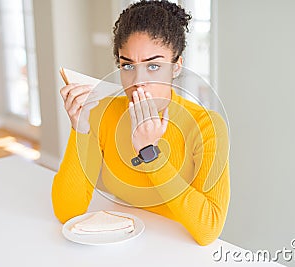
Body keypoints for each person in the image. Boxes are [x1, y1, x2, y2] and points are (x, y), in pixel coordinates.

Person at [52, 0, 230, 246]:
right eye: (128, 66)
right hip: (121, 248)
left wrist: (150, 154)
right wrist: (80, 129)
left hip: (179, 250)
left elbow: (209, 229)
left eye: (154, 65)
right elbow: (67, 212)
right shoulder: (103, 113)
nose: (138, 81)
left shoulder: (206, 126)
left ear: (176, 65)